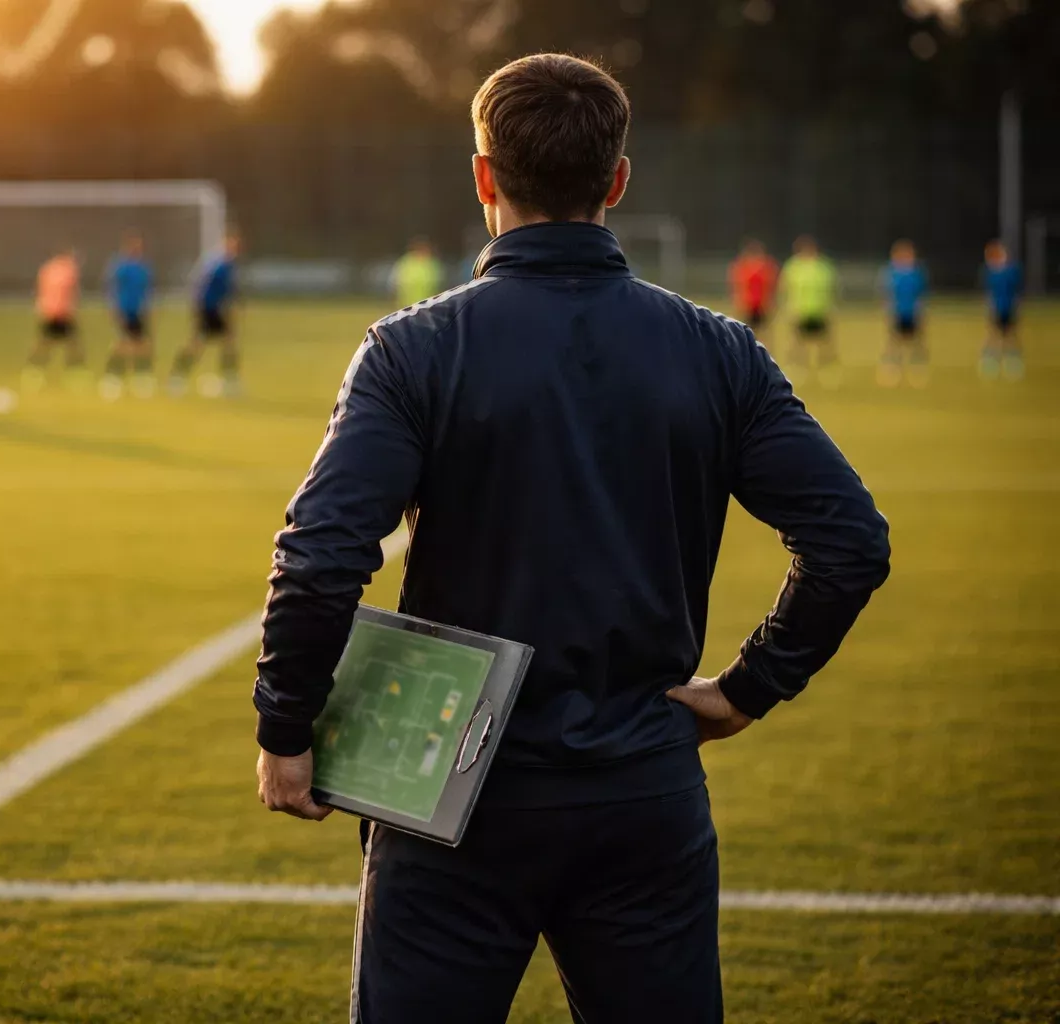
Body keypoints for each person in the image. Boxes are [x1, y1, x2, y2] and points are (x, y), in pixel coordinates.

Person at [252, 53, 890, 1024]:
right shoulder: (717, 350)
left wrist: (285, 726)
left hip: (448, 791)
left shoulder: (413, 349)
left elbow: (322, 551)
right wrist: (746, 689)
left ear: (483, 177)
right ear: (619, 181)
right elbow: (850, 538)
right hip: (646, 789)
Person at [168, 231, 243, 398]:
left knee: (228, 343)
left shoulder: (222, 264)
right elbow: (207, 288)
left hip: (213, 309)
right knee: (198, 345)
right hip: (209, 309)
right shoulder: (220, 265)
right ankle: (177, 377)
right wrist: (200, 310)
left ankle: (230, 381)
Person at [99, 232, 155, 400]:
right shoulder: (120, 267)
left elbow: (147, 291)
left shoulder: (144, 268)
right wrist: (114, 309)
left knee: (142, 345)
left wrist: (148, 309)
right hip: (124, 310)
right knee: (122, 345)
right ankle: (112, 378)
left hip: (139, 311)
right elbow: (111, 289)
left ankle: (141, 378)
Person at [778, 235, 840, 386]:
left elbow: (831, 288)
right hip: (800, 310)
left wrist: (830, 307)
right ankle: (797, 369)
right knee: (797, 343)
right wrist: (788, 307)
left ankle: (826, 370)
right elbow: (785, 287)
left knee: (824, 343)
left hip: (819, 310)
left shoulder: (823, 267)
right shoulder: (793, 266)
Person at [26, 248, 85, 392]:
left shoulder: (47, 269)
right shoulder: (69, 271)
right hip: (62, 312)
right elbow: (71, 293)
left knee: (44, 344)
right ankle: (74, 374)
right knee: (72, 344)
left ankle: (34, 373)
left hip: (48, 311)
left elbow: (40, 289)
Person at [879, 239, 930, 388]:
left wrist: (922, 312)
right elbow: (887, 294)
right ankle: (892, 369)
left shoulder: (916, 274)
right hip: (897, 313)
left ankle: (918, 369)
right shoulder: (892, 274)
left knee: (916, 342)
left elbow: (921, 295)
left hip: (913, 313)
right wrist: (888, 311)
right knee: (894, 343)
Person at [980, 239, 1024, 382]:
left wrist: (1017, 308)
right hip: (996, 309)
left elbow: (1017, 292)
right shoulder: (990, 273)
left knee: (1011, 336)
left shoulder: (1011, 271)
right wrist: (989, 308)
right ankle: (990, 362)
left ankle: (1013, 362)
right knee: (993, 336)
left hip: (1009, 309)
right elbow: (989, 294)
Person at [728, 239, 778, 345]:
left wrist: (770, 302)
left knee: (764, 333)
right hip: (748, 305)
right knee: (747, 332)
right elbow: (738, 286)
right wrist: (739, 302)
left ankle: (764, 355)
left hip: (761, 305)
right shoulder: (743, 266)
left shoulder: (765, 266)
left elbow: (770, 286)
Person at [392, 237, 444, 309]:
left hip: (427, 303)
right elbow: (398, 280)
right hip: (408, 303)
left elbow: (437, 283)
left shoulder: (432, 262)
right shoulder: (407, 260)